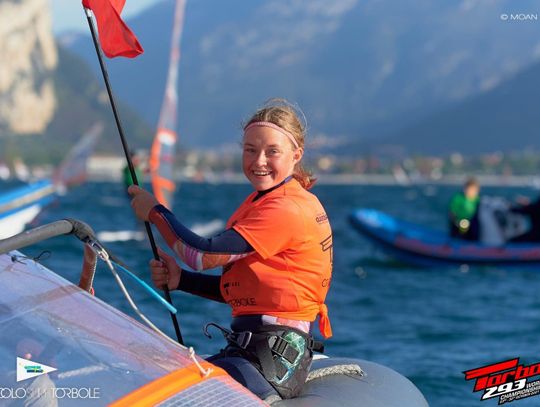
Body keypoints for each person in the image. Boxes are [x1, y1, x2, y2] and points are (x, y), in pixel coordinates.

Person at [128, 99, 333, 401]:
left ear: (296, 155)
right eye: (250, 150)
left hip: (272, 363)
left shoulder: (287, 208)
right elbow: (248, 290)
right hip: (254, 353)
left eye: (272, 151)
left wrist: (156, 212)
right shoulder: (269, 200)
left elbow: (201, 255)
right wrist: (180, 281)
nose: (259, 160)